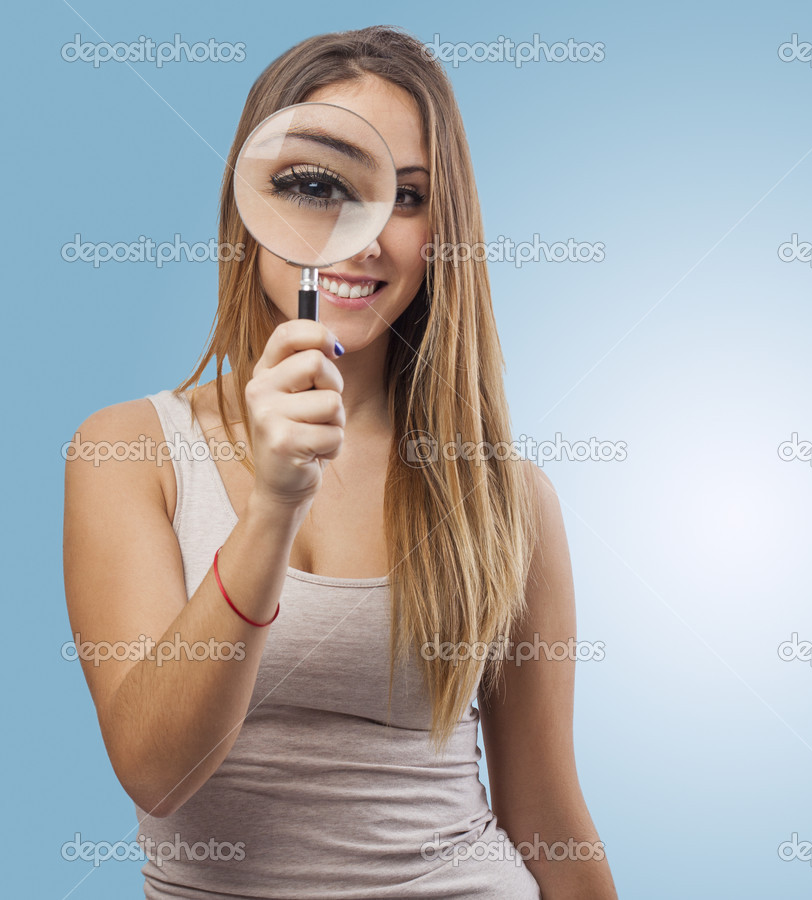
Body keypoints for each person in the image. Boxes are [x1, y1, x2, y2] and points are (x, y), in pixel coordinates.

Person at [63, 25, 616, 899]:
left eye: (405, 197)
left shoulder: (505, 495)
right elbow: (155, 770)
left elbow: (546, 812)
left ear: (444, 231)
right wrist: (273, 508)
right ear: (250, 205)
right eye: (317, 186)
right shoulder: (131, 452)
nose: (363, 238)